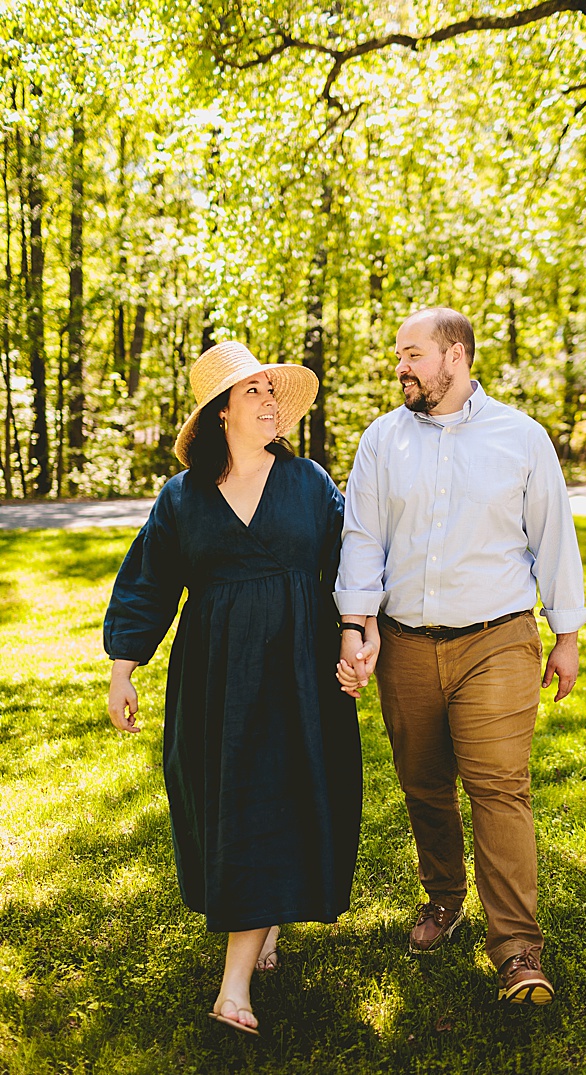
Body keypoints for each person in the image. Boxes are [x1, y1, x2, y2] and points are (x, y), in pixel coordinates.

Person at [334, 306, 586, 1006]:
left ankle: (517, 949)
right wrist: (356, 627)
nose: (402, 367)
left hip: (498, 638)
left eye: (413, 353)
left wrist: (566, 634)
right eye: (400, 355)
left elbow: (554, 537)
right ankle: (445, 898)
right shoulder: (382, 441)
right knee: (423, 785)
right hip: (407, 644)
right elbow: (361, 539)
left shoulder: (520, 437)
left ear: (455, 354)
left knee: (500, 786)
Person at [104, 341, 362, 1036]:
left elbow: (352, 565)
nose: (269, 400)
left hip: (300, 672)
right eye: (252, 392)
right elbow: (148, 581)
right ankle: (260, 935)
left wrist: (356, 636)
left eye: (272, 391)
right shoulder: (183, 497)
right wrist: (123, 665)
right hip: (216, 677)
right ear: (220, 412)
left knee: (278, 796)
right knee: (239, 802)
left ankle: (234, 988)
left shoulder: (309, 481)